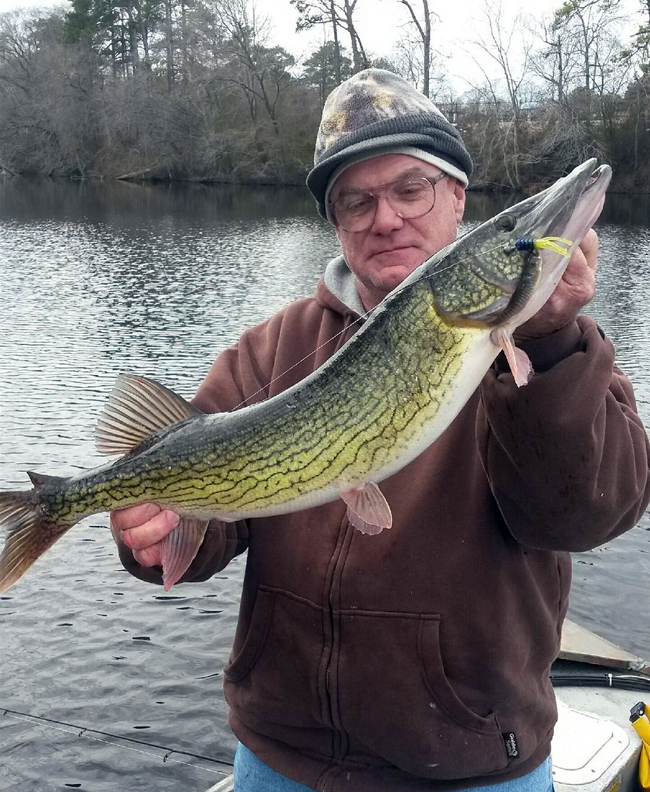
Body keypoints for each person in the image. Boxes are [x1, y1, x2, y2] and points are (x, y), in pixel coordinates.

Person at [111, 70, 650, 792]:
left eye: (409, 189)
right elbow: (214, 518)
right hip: (281, 757)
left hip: (471, 762)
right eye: (356, 200)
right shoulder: (271, 348)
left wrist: (549, 343)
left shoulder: (555, 354)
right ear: (334, 221)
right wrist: (152, 532)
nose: (385, 217)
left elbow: (585, 514)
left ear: (458, 197)